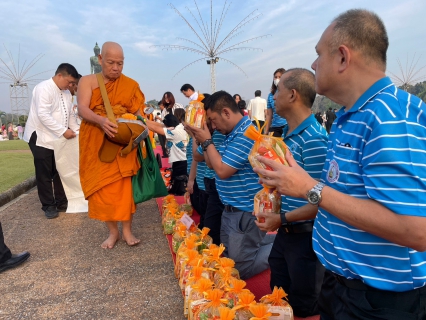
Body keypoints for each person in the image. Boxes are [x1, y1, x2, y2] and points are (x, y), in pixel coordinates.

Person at [254, 9, 426, 319]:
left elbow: (416, 231)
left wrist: (309, 187)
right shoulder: (350, 116)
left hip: (379, 300)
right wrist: (297, 179)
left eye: (319, 54)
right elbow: (344, 196)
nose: (313, 64)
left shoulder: (390, 117)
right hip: (342, 285)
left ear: (343, 58)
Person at [255, 68, 328, 317]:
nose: (273, 96)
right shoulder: (286, 136)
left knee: (304, 308)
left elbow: (323, 200)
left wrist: (282, 218)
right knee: (279, 299)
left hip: (306, 240)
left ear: (293, 95)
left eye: (277, 90)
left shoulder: (314, 140)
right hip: (286, 234)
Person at [185, 91, 273, 280]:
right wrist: (199, 137)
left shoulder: (246, 134)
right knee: (230, 259)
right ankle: (270, 242)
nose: (213, 126)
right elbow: (209, 162)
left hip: (243, 212)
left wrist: (207, 140)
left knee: (240, 270)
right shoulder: (231, 134)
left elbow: (222, 171)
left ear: (226, 112)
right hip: (232, 209)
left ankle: (283, 247)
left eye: (214, 120)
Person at [78, 42, 145, 249]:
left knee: (124, 188)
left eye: (120, 63)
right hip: (96, 139)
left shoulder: (130, 85)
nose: (116, 67)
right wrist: (101, 121)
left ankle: (126, 230)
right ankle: (113, 232)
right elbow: (82, 108)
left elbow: (138, 113)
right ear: (100, 60)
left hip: (122, 142)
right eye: (110, 62)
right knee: (102, 188)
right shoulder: (87, 81)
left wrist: (144, 126)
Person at [23, 63, 80, 219]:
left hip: (59, 139)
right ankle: (48, 205)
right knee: (44, 173)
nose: (70, 85)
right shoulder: (43, 88)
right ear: (59, 75)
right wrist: (63, 131)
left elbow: (71, 117)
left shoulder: (67, 94)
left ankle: (62, 202)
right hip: (41, 137)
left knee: (61, 170)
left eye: (72, 84)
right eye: (69, 82)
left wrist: (77, 132)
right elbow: (43, 115)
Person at [192, 96, 226, 245]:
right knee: (208, 221)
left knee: (212, 225)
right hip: (208, 182)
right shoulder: (212, 135)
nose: (210, 123)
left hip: (215, 182)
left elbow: (210, 164)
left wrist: (204, 140)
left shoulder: (218, 134)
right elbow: (198, 157)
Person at [146, 114, 188, 195]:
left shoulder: (175, 132)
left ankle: (179, 191)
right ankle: (176, 189)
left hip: (181, 160)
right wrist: (144, 120)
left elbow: (156, 129)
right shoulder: (178, 127)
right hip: (179, 158)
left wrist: (141, 121)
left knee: (179, 179)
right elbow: (159, 125)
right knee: (175, 177)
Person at [265, 68, 288, 137]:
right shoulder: (270, 95)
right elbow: (269, 115)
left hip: (287, 126)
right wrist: (266, 131)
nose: (277, 79)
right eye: (275, 77)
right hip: (275, 127)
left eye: (280, 77)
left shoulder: (289, 93)